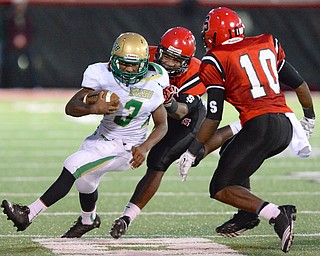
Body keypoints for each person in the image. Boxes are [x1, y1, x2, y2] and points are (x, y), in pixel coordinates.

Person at [1, 32, 170, 238]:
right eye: (123, 63)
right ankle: (88, 220)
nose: (127, 69)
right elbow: (71, 107)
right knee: (86, 182)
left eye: (133, 65)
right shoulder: (100, 73)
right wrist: (93, 108)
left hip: (127, 148)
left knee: (74, 164)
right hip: (101, 137)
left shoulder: (153, 83)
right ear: (113, 60)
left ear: (143, 64)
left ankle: (28, 213)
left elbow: (162, 125)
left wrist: (144, 147)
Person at [178, 7, 315, 253]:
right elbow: (300, 85)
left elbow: (213, 116)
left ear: (214, 34)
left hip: (259, 126)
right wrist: (310, 118)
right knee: (230, 148)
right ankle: (245, 215)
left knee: (220, 188)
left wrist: (193, 149)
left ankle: (276, 214)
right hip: (283, 125)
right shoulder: (266, 43)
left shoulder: (215, 59)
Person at [109, 27, 240, 239]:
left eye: (175, 61)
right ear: (158, 51)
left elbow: (180, 113)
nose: (168, 64)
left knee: (163, 160)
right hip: (155, 107)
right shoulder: (145, 54)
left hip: (186, 114)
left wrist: (168, 101)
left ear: (187, 61)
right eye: (165, 57)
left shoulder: (198, 72)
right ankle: (126, 218)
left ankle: (236, 127)